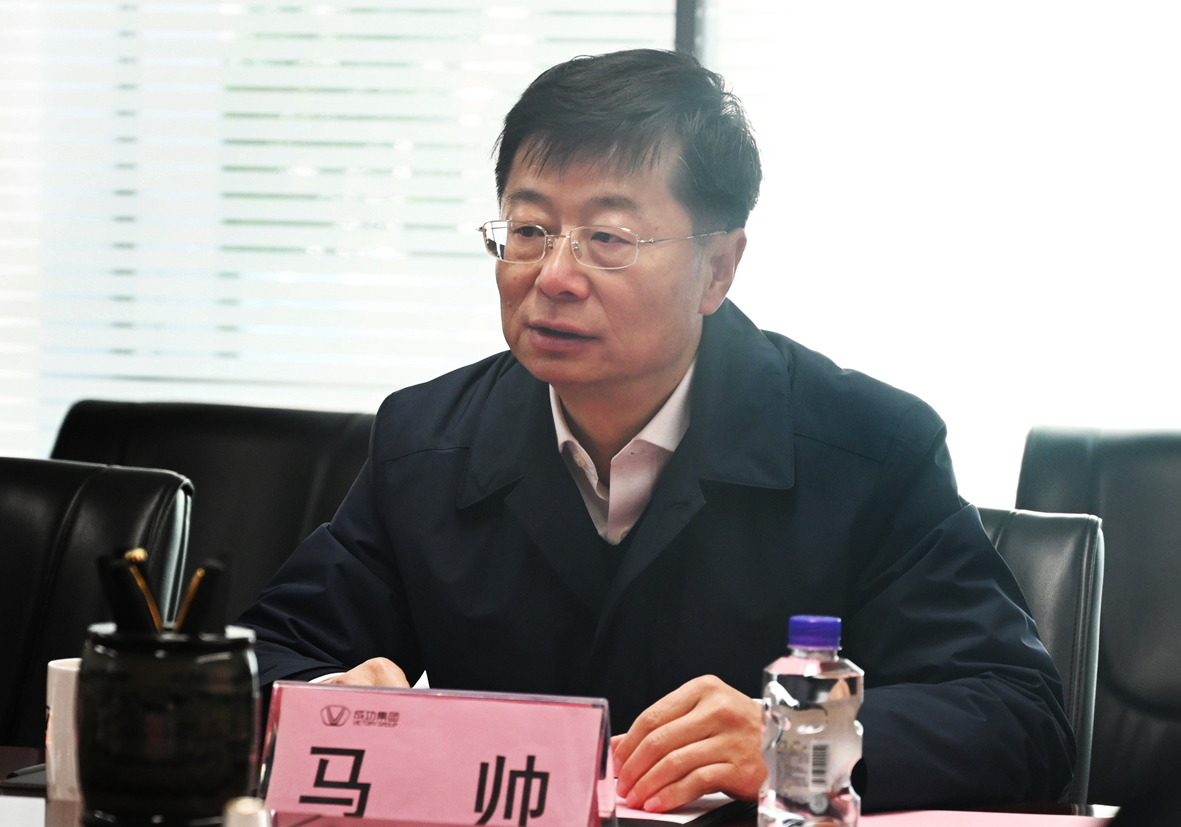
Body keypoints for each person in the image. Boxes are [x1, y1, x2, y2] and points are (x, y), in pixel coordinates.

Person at [238, 49, 1074, 813]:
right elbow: (261, 656)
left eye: (607, 238)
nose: (554, 275)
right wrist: (327, 698)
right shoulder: (427, 441)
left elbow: (1018, 718)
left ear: (718, 268)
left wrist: (796, 741)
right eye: (528, 230)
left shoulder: (868, 446)